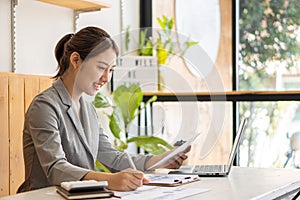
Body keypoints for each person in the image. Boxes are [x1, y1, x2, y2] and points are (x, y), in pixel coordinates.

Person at [17, 26, 190, 193]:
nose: (107, 78)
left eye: (111, 70)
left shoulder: (88, 109)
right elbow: (56, 168)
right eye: (101, 67)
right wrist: (109, 180)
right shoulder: (44, 106)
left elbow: (112, 157)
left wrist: (160, 160)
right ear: (76, 60)